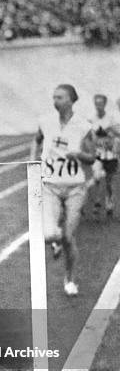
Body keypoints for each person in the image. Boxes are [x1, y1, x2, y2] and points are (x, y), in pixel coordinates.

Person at [31, 84, 95, 296]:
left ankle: (69, 279)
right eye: (54, 97)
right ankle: (56, 241)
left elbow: (92, 157)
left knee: (68, 237)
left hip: (75, 187)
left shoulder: (83, 126)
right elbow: (36, 140)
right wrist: (34, 163)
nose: (55, 101)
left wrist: (78, 154)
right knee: (49, 234)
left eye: (59, 97)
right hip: (50, 186)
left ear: (71, 100)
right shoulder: (45, 121)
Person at [88, 94, 120, 216]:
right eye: (96, 103)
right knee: (96, 176)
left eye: (100, 103)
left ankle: (109, 201)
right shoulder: (92, 118)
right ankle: (97, 201)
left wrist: (110, 131)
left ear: (105, 104)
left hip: (111, 153)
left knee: (109, 181)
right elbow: (90, 135)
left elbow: (118, 132)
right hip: (98, 153)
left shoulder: (111, 118)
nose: (98, 106)